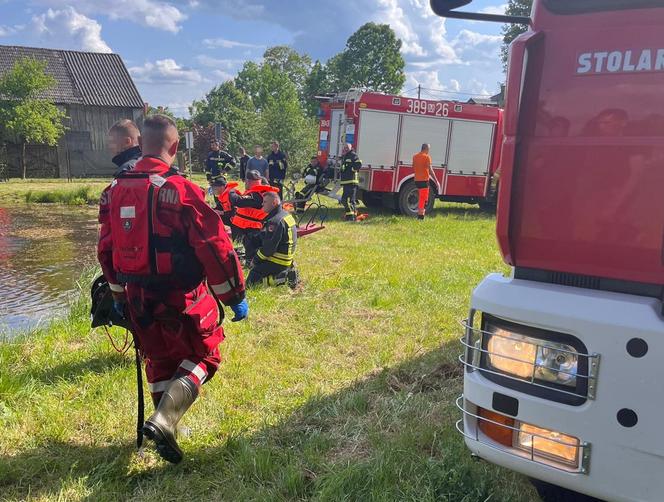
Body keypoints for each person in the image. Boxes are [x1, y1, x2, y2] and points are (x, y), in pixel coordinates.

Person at [97, 114, 248, 464]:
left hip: (137, 298)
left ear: (139, 144)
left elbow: (106, 249)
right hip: (180, 296)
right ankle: (165, 420)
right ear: (175, 147)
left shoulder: (113, 191)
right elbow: (214, 245)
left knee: (160, 360)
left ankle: (167, 426)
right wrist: (234, 295)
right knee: (205, 355)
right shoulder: (179, 189)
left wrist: (119, 296)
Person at [247, 191, 298, 287]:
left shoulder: (274, 222)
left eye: (265, 202)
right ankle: (287, 271)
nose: (262, 204)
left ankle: (284, 278)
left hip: (278, 261)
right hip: (287, 258)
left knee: (251, 280)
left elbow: (269, 249)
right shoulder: (285, 215)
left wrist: (255, 260)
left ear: (274, 203)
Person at [230, 170, 279, 262]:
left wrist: (231, 191)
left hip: (252, 227)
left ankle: (252, 264)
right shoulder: (262, 192)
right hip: (254, 226)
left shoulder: (256, 194)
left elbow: (238, 201)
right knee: (252, 247)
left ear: (248, 181)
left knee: (252, 250)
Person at [412, 143, 436, 220]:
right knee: (424, 199)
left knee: (421, 198)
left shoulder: (415, 156)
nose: (429, 151)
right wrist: (436, 180)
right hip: (424, 180)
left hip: (417, 180)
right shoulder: (427, 157)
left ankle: (420, 216)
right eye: (428, 149)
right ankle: (420, 218)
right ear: (426, 149)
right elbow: (430, 170)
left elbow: (413, 166)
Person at [340, 143, 362, 221]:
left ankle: (352, 217)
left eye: (347, 147)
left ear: (350, 148)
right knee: (343, 200)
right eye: (344, 147)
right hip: (346, 182)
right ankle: (349, 215)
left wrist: (352, 170)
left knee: (350, 201)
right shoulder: (345, 156)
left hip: (351, 182)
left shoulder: (353, 155)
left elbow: (359, 164)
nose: (345, 149)